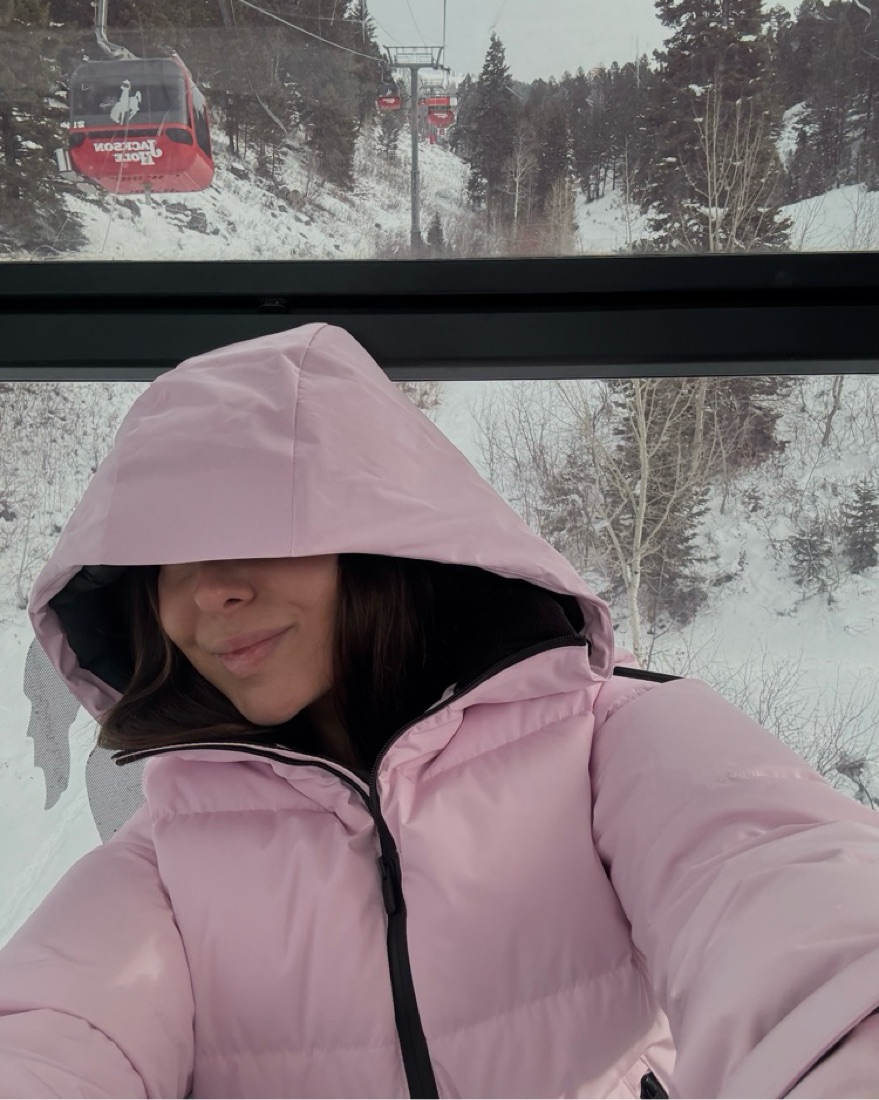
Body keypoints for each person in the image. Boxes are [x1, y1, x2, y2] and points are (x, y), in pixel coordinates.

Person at [0, 322, 877, 1099]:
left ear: (383, 539)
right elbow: (52, 1035)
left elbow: (804, 915)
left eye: (254, 532)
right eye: (163, 563)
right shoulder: (167, 852)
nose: (206, 594)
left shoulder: (616, 742)